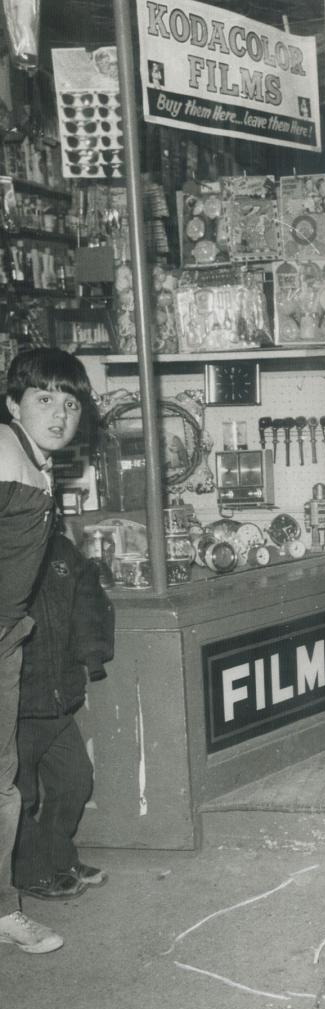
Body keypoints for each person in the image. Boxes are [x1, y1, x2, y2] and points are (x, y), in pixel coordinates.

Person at [0, 347, 92, 954]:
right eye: (43, 399)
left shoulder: (32, 460)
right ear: (13, 403)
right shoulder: (6, 453)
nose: (59, 414)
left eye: (71, 401)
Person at [13, 526, 114, 900]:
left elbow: (88, 600)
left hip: (57, 701)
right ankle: (31, 872)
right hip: (18, 704)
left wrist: (91, 655)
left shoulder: (59, 548)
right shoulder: (11, 547)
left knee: (75, 780)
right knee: (17, 798)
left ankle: (58, 858)